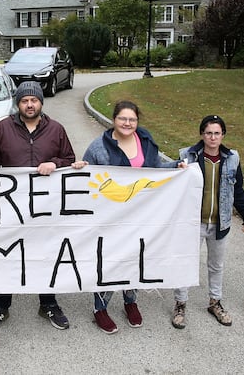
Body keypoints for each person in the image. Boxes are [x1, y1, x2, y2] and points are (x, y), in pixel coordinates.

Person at [78, 100, 181, 334]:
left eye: (132, 119)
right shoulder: (99, 147)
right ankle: (100, 308)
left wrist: (176, 167)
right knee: (111, 261)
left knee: (136, 258)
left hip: (141, 215)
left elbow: (155, 171)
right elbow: (85, 180)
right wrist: (79, 168)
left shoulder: (145, 142)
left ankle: (130, 301)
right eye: (123, 118)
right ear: (114, 119)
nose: (127, 123)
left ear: (137, 121)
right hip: (110, 218)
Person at [0, 81, 76, 333]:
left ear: (41, 103)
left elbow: (70, 159)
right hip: (12, 206)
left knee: (45, 254)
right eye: (24, 100)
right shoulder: (2, 129)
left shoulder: (56, 129)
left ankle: (48, 303)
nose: (30, 104)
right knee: (8, 254)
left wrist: (54, 163)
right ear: (18, 103)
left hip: (46, 206)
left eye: (34, 100)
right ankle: (1, 305)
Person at [171, 115, 244, 329]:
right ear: (202, 134)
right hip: (193, 222)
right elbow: (172, 186)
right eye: (208, 133)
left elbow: (238, 190)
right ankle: (180, 303)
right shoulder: (187, 155)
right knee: (185, 262)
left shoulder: (232, 158)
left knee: (216, 265)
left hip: (219, 223)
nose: (212, 137)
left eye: (217, 133)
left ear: (223, 135)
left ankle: (215, 301)